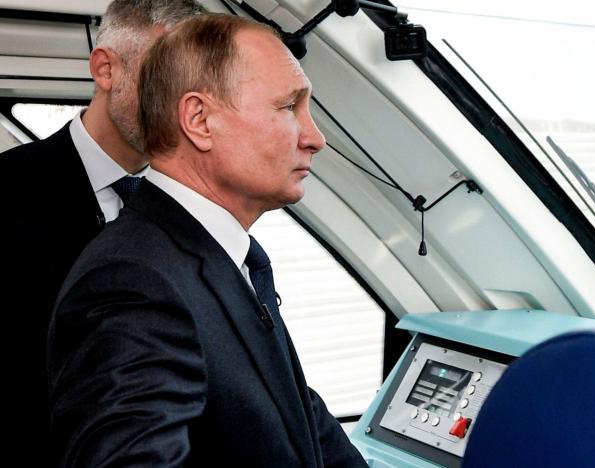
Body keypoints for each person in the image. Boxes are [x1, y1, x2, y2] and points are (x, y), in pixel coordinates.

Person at [47, 13, 367, 467]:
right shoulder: (134, 282)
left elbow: (296, 414)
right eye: (288, 107)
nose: (316, 138)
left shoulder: (216, 256)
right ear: (199, 120)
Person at [0, 1, 205, 463]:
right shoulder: (8, 191)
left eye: (196, 85)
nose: (183, 105)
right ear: (105, 69)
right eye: (163, 76)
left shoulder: (197, 207)